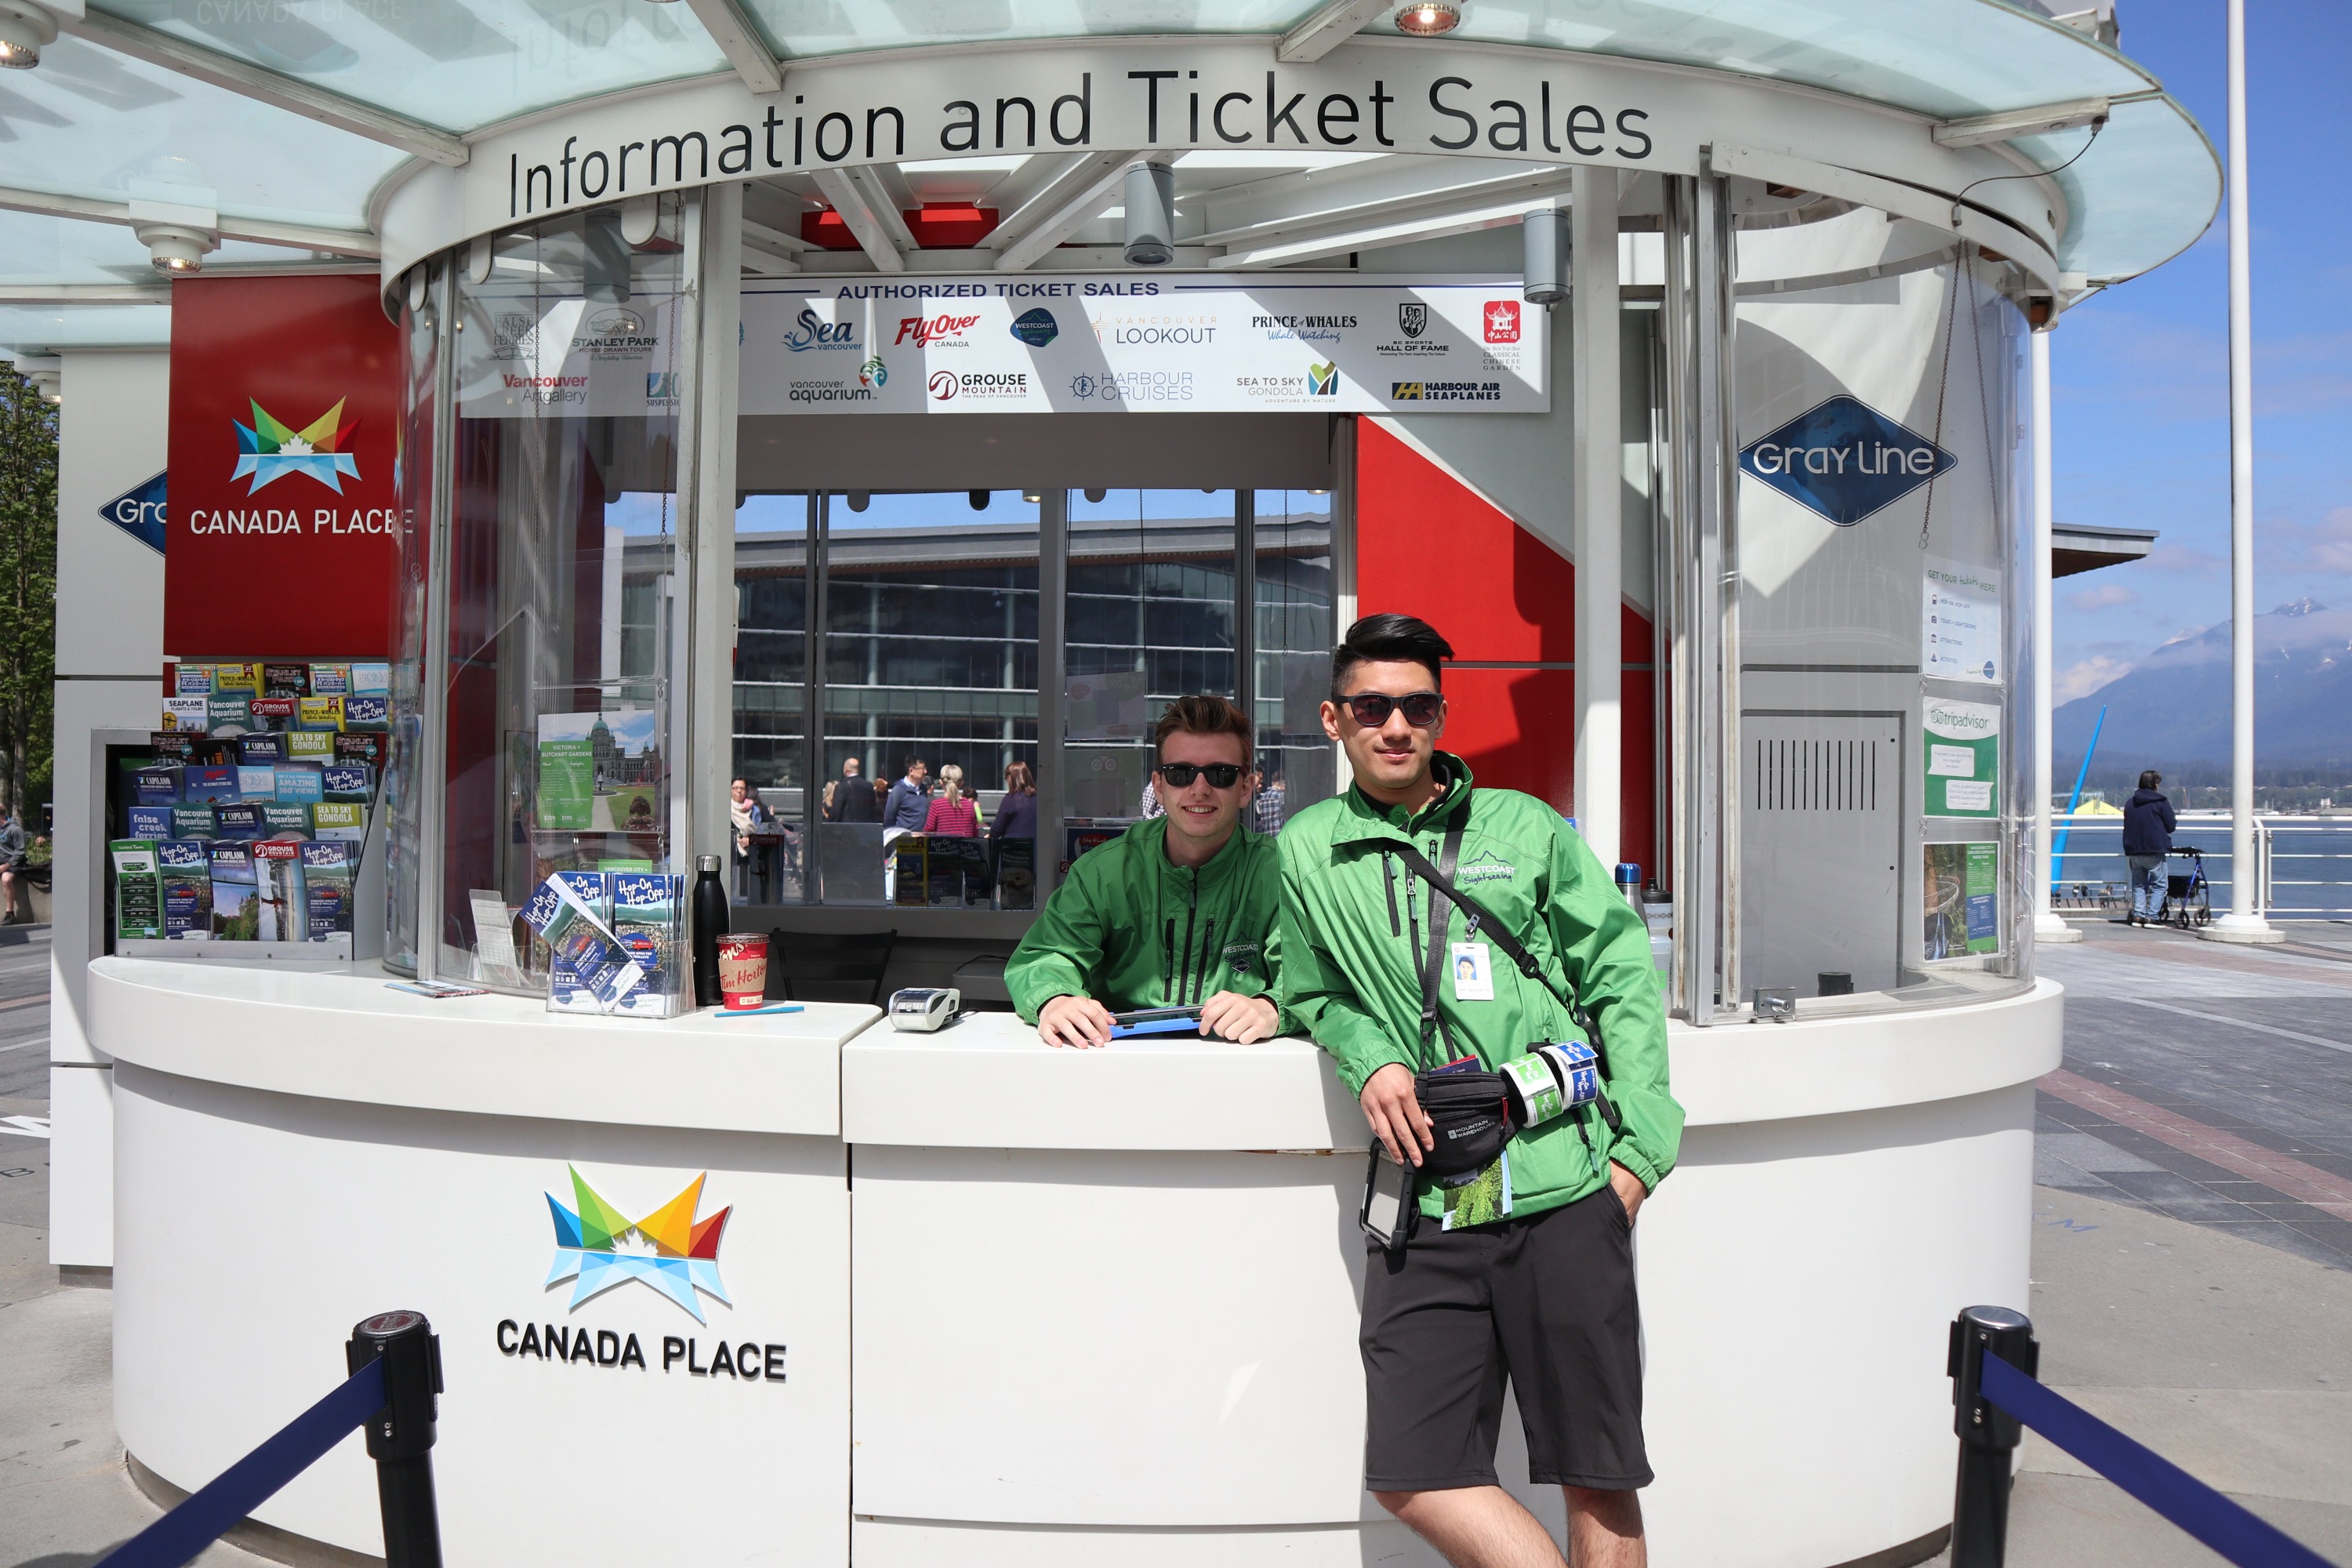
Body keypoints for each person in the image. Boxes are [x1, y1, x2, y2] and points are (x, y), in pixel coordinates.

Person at [1276, 613, 1681, 1568]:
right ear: (1334, 719)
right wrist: (1369, 1052)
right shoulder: (1305, 847)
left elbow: (1620, 972)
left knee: (1597, 1467)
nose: (1395, 725)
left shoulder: (1523, 827)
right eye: (1372, 706)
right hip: (1428, 1195)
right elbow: (1308, 985)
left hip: (1565, 1184)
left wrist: (1641, 1150)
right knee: (1416, 1471)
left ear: (1441, 716)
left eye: (1417, 706)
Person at [1007, 695, 1286, 1048]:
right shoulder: (1103, 871)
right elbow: (1048, 955)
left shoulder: (1280, 873)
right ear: (1158, 785)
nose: (1200, 788)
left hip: (1238, 1069)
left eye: (1221, 774)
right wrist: (1056, 999)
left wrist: (1272, 1007)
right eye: (1181, 773)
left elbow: (1308, 974)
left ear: (1245, 788)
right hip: (1117, 1067)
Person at [2122, 768, 2176, 927]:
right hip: (2155, 848)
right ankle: (2152, 917)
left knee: (2139, 883)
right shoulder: (2161, 802)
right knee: (2160, 885)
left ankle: (2138, 916)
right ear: (2155, 784)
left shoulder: (2130, 802)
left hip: (2134, 849)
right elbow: (2171, 826)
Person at [924, 764, 981, 837]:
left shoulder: (937, 805)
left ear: (941, 782)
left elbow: (928, 833)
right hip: (966, 847)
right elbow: (975, 833)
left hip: (942, 847)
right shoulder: (970, 806)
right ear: (961, 783)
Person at [883, 756, 931, 833]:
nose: (925, 772)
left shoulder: (923, 789)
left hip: (921, 839)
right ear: (911, 770)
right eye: (922, 769)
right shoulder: (899, 790)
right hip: (904, 840)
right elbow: (889, 818)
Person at [827, 756, 880, 823]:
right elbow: (874, 809)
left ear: (845, 770)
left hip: (847, 828)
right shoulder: (869, 786)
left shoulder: (842, 786)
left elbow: (836, 811)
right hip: (866, 827)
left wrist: (829, 822)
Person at [0, 803, 24, 925]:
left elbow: (20, 852)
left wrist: (6, 866)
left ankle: (10, 914)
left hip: (11, 862)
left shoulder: (15, 829)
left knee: (6, 879)